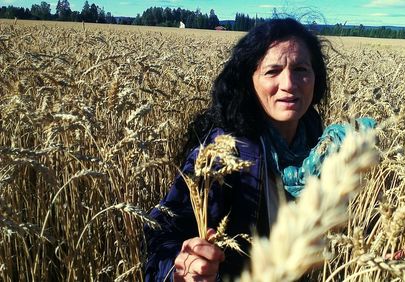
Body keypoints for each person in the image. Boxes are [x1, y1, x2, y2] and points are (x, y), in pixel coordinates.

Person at [144, 18, 375, 282]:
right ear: (249, 81)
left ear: (315, 78)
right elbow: (162, 231)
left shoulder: (325, 144)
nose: (289, 84)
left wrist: (380, 240)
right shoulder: (223, 151)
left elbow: (344, 225)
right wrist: (181, 266)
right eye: (272, 71)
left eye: (301, 69)